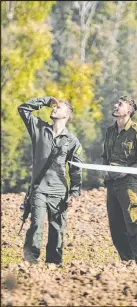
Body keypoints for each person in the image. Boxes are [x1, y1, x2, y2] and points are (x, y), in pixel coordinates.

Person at [18, 96, 82, 265]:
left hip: (58, 191)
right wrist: (45, 101)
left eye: (58, 107)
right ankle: (30, 262)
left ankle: (53, 264)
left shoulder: (72, 141)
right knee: (36, 224)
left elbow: (76, 169)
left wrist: (74, 193)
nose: (54, 108)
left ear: (67, 115)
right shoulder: (38, 128)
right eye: (54, 106)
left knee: (57, 229)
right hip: (38, 189)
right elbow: (23, 109)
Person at [101, 95, 137, 264]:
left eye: (120, 104)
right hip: (112, 184)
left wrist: (127, 171)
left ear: (129, 110)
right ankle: (127, 261)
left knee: (134, 222)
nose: (116, 106)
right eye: (116, 103)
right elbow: (105, 156)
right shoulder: (110, 131)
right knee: (116, 226)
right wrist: (105, 170)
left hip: (129, 184)